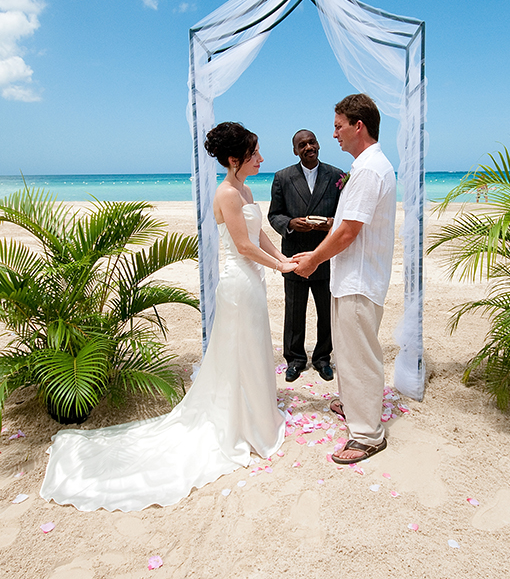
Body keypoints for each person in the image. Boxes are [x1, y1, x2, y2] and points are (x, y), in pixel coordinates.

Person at [40, 122, 296, 512]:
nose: (261, 158)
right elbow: (242, 246)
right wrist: (281, 269)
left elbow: (259, 234)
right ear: (234, 160)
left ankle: (256, 413)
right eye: (255, 152)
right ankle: (242, 423)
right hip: (238, 284)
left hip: (253, 282)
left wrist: (281, 258)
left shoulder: (245, 189)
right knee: (238, 350)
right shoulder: (226, 192)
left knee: (254, 347)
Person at [293, 94, 396, 465]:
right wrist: (317, 256)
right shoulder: (366, 165)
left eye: (338, 126)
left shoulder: (368, 170)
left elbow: (349, 231)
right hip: (350, 275)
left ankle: (368, 434)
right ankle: (354, 404)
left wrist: (313, 260)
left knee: (359, 356)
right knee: (348, 353)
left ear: (359, 126)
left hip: (359, 278)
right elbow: (343, 225)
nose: (333, 134)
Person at [268, 129, 343, 383]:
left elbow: (344, 215)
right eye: (302, 144)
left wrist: (331, 223)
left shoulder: (337, 176)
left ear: (318, 144)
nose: (308, 147)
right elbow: (273, 215)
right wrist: (290, 223)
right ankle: (295, 360)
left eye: (311, 142)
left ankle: (323, 358)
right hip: (295, 256)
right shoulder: (282, 178)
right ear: (295, 150)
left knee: (326, 311)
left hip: (325, 255)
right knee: (294, 312)